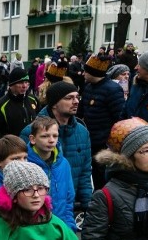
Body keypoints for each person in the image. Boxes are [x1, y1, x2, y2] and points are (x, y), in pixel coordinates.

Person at [18, 82, 92, 212]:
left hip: (67, 206)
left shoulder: (82, 132)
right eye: (69, 98)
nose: (76, 102)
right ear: (54, 104)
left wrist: (88, 206)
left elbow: (85, 173)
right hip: (36, 208)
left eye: (77, 97)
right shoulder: (30, 131)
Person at [78, 53, 126, 190]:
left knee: (103, 175)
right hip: (90, 140)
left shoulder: (112, 89)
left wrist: (110, 142)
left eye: (86, 71)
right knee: (93, 173)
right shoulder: (88, 87)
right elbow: (82, 112)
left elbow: (119, 118)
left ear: (94, 72)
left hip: (104, 143)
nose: (83, 74)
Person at [26, 117, 78, 231]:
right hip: (32, 229)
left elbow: (69, 198)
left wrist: (69, 227)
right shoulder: (25, 164)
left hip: (59, 227)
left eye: (55, 136)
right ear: (33, 139)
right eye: (45, 136)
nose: (51, 140)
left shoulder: (63, 164)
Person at [0, 68, 39, 143]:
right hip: (13, 150)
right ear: (11, 85)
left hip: (33, 148)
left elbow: (41, 121)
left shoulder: (33, 99)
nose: (24, 86)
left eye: (26, 82)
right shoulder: (0, 105)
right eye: (20, 83)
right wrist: (10, 144)